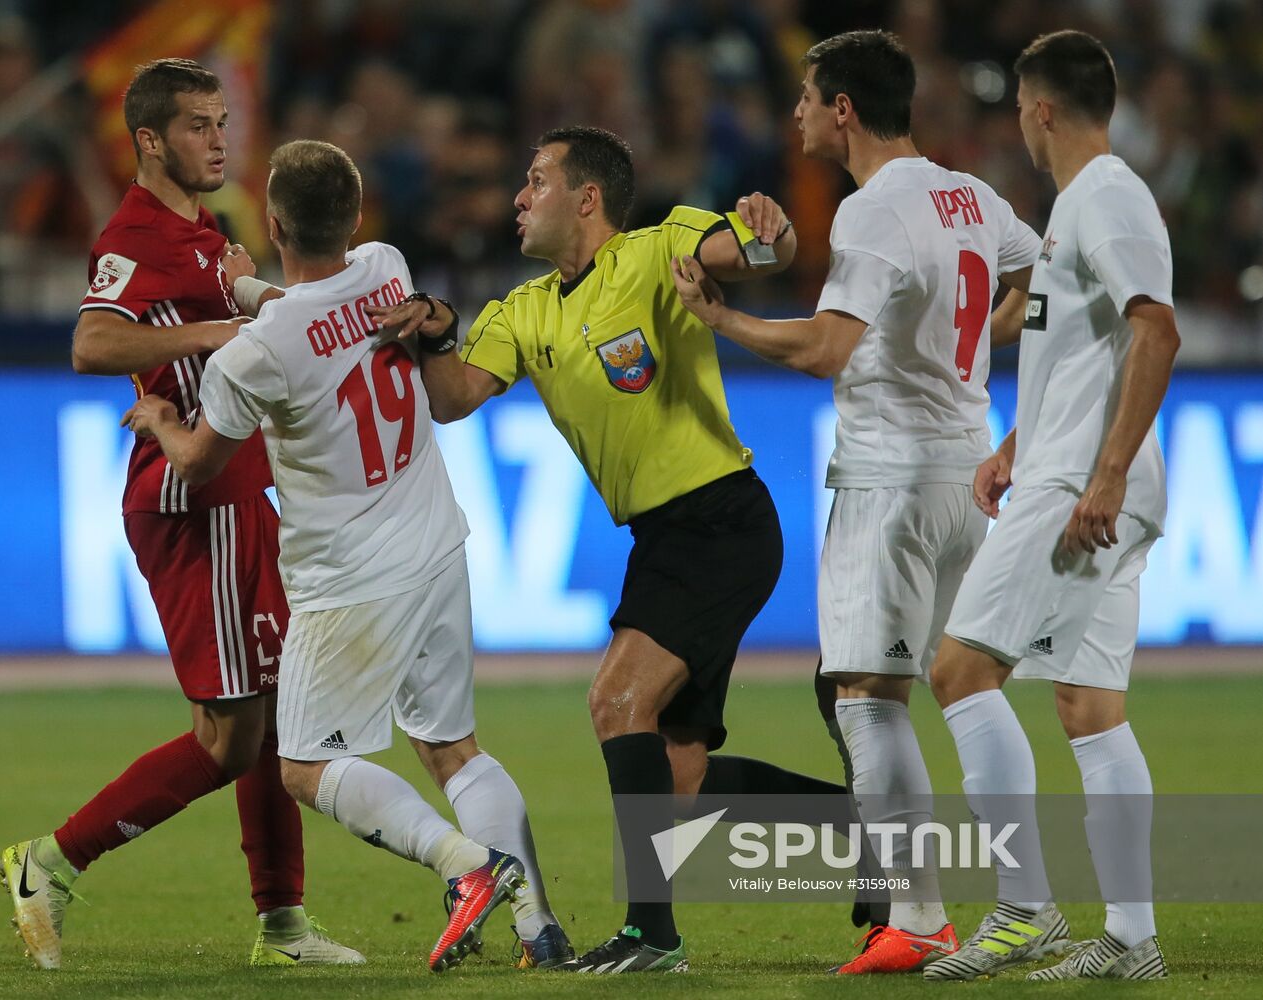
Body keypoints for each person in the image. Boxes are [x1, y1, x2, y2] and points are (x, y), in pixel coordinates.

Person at [367, 124, 847, 975]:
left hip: (720, 520)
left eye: (536, 179)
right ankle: (864, 829)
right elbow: (452, 400)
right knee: (677, 776)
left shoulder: (657, 249)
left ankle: (649, 935)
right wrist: (433, 334)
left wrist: (772, 228)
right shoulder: (523, 309)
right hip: (666, 537)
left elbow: (755, 251)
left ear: (586, 198)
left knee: (615, 701)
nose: (518, 196)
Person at [124, 138, 571, 973]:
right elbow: (311, 304)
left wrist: (157, 423)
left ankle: (467, 867)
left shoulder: (254, 355)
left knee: (305, 765)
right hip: (438, 542)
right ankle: (537, 926)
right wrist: (247, 281)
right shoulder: (387, 270)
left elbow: (198, 462)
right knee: (453, 749)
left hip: (350, 578)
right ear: (357, 217)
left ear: (275, 218)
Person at [671, 29, 1043, 975]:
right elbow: (1037, 280)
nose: (793, 112)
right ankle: (1027, 903)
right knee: (970, 685)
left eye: (804, 96)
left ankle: (917, 919)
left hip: (890, 481)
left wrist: (722, 319)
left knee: (866, 700)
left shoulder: (872, 212)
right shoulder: (972, 194)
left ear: (842, 108)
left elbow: (829, 348)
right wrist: (975, 349)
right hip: (967, 470)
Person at [0, 59, 360, 970]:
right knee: (234, 736)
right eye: (198, 125)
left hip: (241, 493)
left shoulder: (210, 232)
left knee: (276, 719)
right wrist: (210, 331)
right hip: (194, 500)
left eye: (222, 121)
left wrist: (245, 295)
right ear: (151, 140)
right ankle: (49, 862)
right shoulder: (135, 232)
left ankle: (282, 926)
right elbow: (92, 340)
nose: (219, 139)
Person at [922, 30, 1178, 982]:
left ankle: (1023, 909)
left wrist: (1098, 474)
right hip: (1070, 468)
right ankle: (1132, 938)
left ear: (1037, 110)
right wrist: (1013, 445)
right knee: (1089, 707)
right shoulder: (1080, 206)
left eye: (1018, 114)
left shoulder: (1103, 197)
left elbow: (1156, 329)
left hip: (1081, 486)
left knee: (956, 672)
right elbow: (1093, 354)